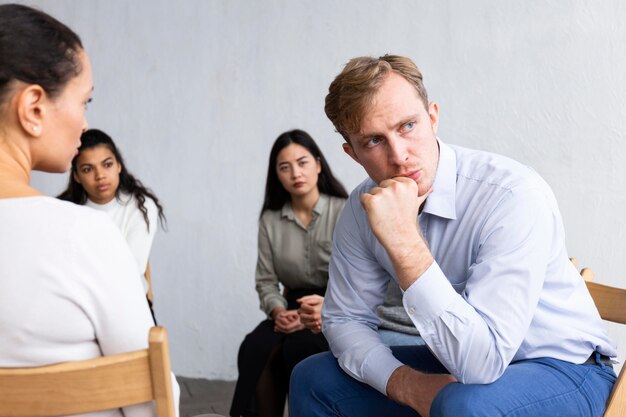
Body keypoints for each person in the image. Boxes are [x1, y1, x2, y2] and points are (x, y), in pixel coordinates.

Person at [290, 54, 617, 417]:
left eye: (408, 126)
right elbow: (346, 320)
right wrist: (404, 383)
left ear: (432, 117)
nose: (399, 156)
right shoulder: (361, 208)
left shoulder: (510, 194)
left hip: (568, 370)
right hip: (457, 372)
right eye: (373, 142)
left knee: (461, 404)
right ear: (352, 154)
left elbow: (483, 364)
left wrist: (404, 241)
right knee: (313, 378)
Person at [0, 4, 179, 417]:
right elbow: (152, 404)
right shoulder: (86, 234)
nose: (84, 124)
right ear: (33, 109)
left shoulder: (125, 211)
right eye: (85, 101)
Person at [230, 129, 348, 417]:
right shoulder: (270, 221)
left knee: (302, 348)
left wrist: (323, 310)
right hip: (288, 307)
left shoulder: (345, 211)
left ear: (318, 165)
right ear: (277, 175)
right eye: (285, 167)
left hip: (333, 307)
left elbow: (354, 279)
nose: (295, 172)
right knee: (255, 348)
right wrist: (278, 311)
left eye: (302, 162)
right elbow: (266, 281)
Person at [58, 129, 166, 298]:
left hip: (129, 302)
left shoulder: (141, 206)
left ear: (119, 166)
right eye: (87, 169)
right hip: (79, 304)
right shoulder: (63, 211)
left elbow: (129, 272)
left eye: (107, 165)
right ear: (77, 176)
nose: (100, 175)